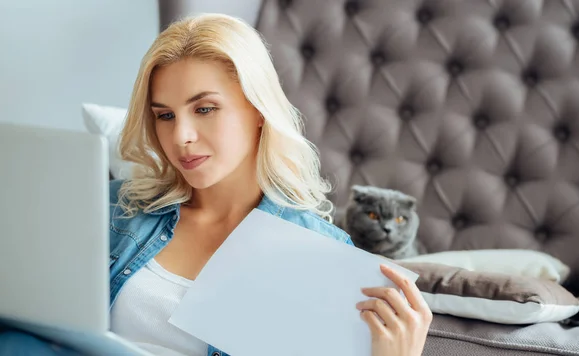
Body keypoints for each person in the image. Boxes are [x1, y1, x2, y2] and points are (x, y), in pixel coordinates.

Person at [0, 13, 432, 356]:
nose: (181, 136)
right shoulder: (112, 210)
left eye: (204, 109)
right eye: (165, 115)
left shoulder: (321, 255)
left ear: (258, 109)